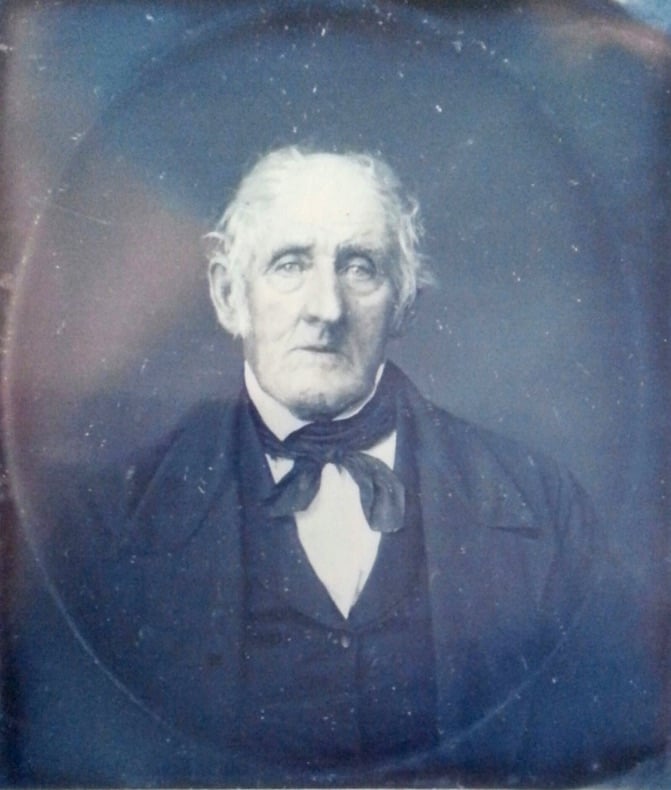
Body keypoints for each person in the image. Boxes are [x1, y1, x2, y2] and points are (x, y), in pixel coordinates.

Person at [50, 146, 667, 786]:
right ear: (228, 294)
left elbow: (643, 751)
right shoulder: (107, 524)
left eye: (361, 268)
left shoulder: (542, 505)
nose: (327, 308)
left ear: (402, 302)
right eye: (290, 264)